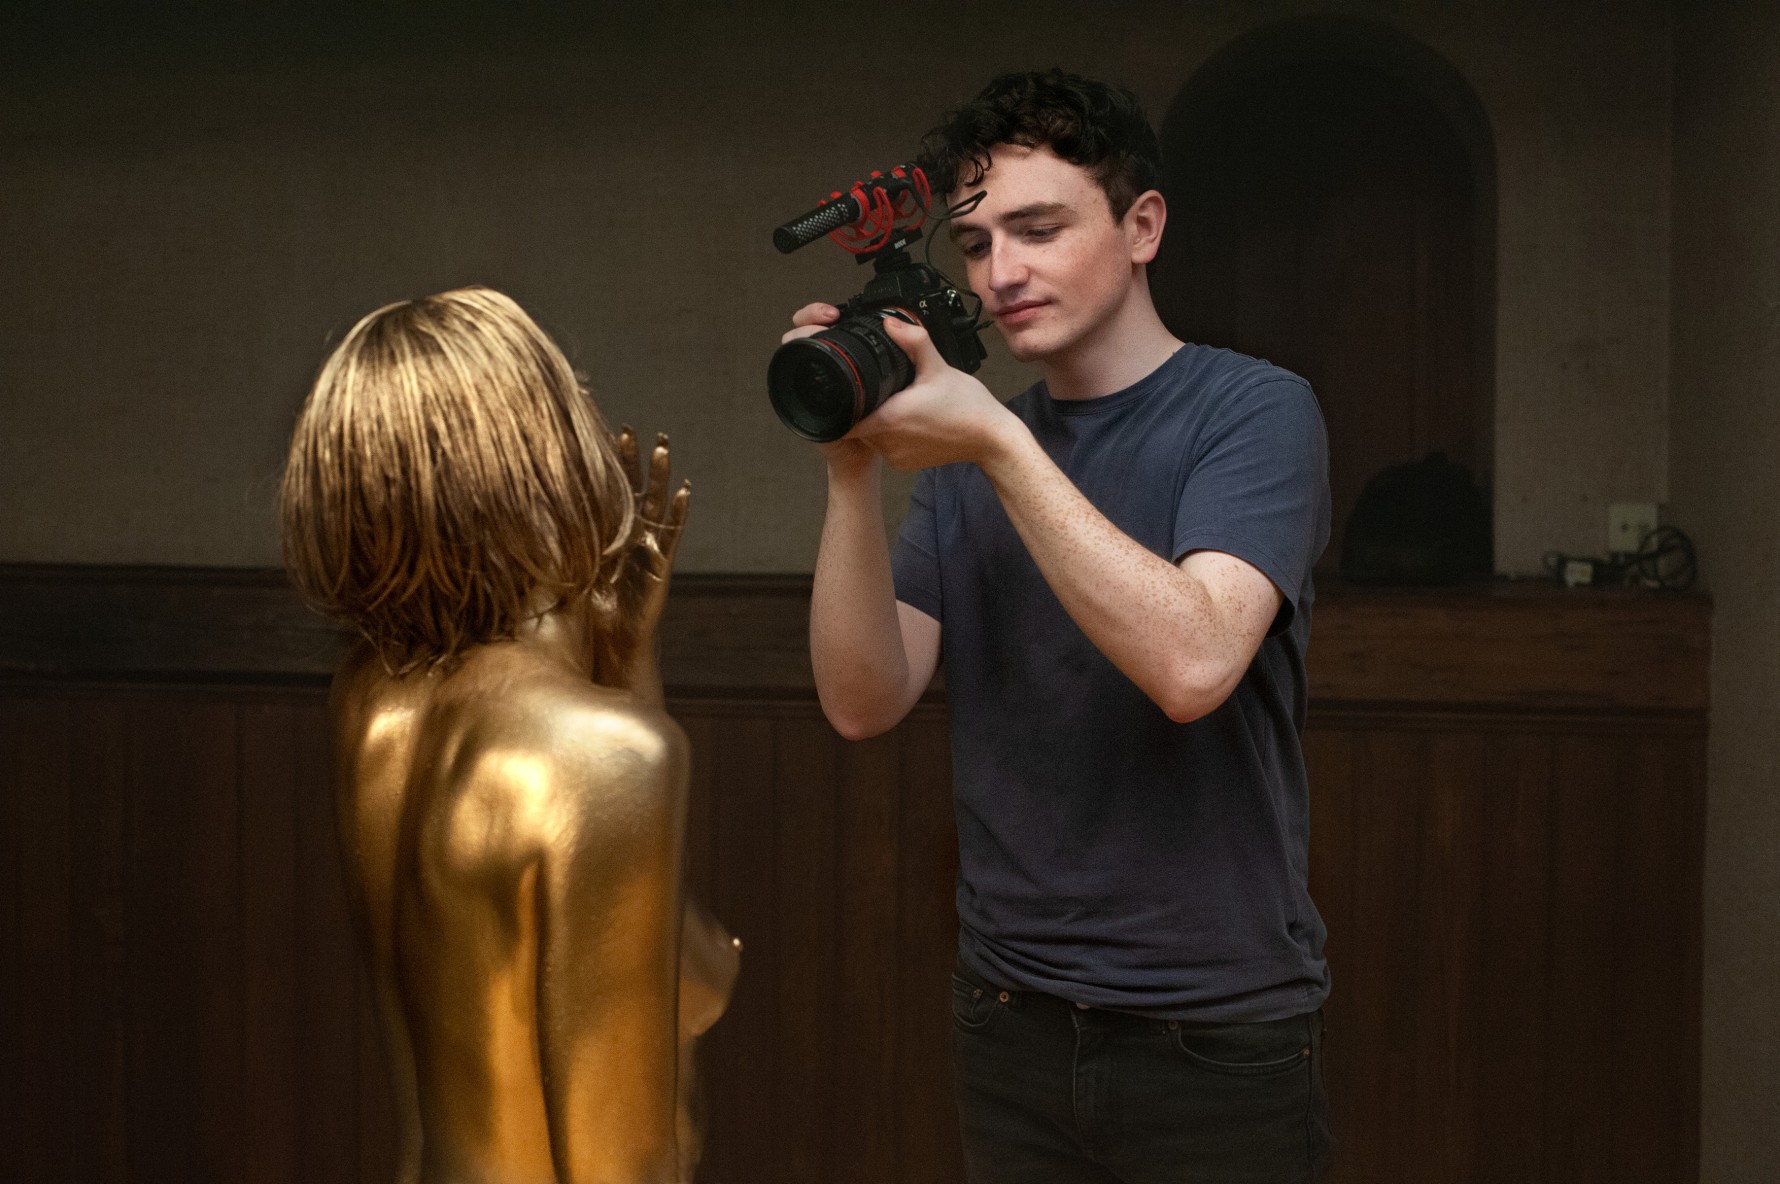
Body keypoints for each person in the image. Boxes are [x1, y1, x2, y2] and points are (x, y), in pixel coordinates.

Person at [790, 70, 1334, 1182]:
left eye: (1038, 230)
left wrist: (998, 443)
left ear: (1143, 227)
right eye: (975, 243)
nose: (1000, 273)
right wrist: (849, 469)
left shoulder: (1253, 410)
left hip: (1213, 1026)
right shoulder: (972, 448)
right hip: (1008, 1013)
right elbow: (862, 700)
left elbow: (1193, 663)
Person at [281, 286, 737, 1184]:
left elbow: (686, 981)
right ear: (539, 458)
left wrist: (622, 669)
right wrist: (621, 708)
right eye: (574, 402)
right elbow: (621, 1161)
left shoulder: (371, 702)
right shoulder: (597, 754)